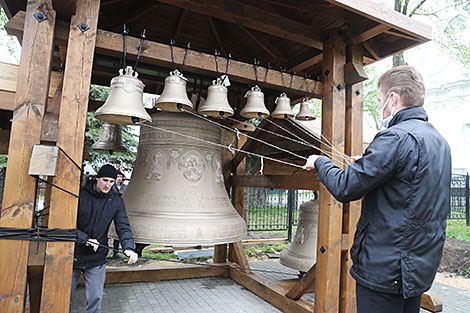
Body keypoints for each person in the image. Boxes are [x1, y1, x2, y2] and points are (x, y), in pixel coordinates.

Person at [304, 65, 451, 313]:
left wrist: (320, 162)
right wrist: (368, 163)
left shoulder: (394, 138)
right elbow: (409, 186)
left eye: (381, 99)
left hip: (386, 268)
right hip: (417, 269)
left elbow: (344, 187)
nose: (381, 105)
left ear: (392, 98)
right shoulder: (440, 142)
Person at [71, 164, 138, 313]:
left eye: (111, 182)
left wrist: (128, 248)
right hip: (72, 254)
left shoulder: (117, 201)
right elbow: (67, 224)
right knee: (63, 297)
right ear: (97, 179)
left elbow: (123, 226)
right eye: (105, 180)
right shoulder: (80, 195)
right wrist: (85, 239)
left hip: (96, 257)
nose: (108, 185)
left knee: (95, 299)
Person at [111, 170, 127, 259]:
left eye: (121, 177)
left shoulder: (125, 187)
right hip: (110, 210)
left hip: (120, 211)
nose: (119, 178)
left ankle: (116, 252)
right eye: (117, 176)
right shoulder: (111, 187)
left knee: (117, 233)